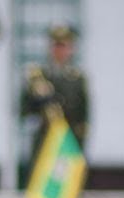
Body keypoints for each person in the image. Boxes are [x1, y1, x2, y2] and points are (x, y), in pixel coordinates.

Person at [20, 24, 90, 183]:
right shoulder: (38, 76)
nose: (60, 51)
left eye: (64, 46)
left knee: (67, 184)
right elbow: (25, 110)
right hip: (44, 141)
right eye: (56, 46)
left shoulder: (77, 78)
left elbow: (83, 119)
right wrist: (37, 95)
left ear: (71, 49)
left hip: (67, 143)